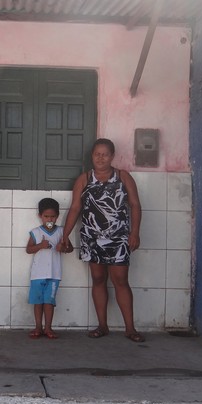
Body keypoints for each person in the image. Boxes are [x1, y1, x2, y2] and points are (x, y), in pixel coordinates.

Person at [62, 138, 145, 342]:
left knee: (121, 281)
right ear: (92, 156)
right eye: (97, 154)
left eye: (105, 154)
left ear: (112, 156)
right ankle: (102, 326)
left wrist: (134, 233)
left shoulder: (124, 177)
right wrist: (64, 235)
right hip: (92, 238)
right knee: (98, 280)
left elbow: (135, 205)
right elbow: (75, 208)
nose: (100, 158)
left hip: (118, 239)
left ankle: (130, 329)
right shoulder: (84, 179)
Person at [26, 197, 73, 339]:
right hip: (38, 274)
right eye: (46, 216)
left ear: (57, 216)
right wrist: (40, 246)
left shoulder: (61, 232)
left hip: (54, 274)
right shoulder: (35, 232)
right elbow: (28, 249)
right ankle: (38, 327)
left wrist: (63, 247)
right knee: (38, 301)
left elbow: (70, 248)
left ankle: (48, 328)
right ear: (40, 216)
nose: (50, 219)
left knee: (49, 301)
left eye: (53, 216)